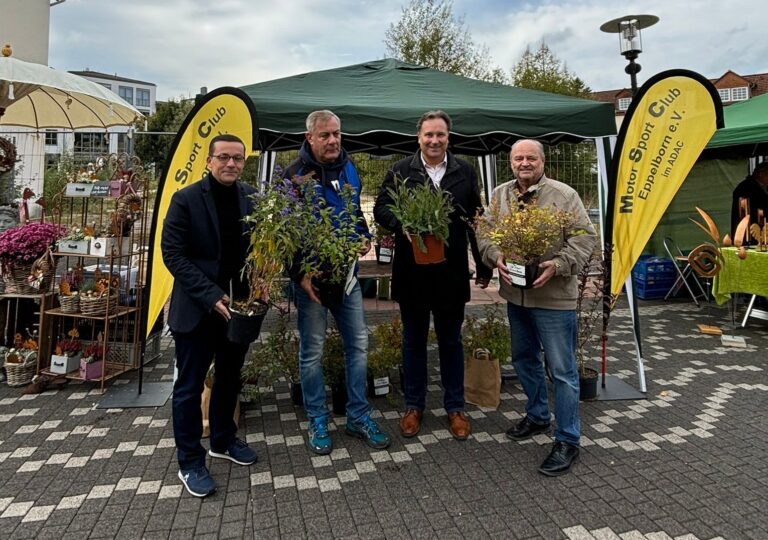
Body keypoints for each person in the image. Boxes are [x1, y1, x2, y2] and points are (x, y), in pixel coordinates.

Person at [477, 139, 596, 476]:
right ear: (511, 163)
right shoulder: (501, 195)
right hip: (517, 297)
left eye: (531, 157)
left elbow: (585, 238)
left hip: (554, 299)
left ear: (543, 162)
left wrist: (558, 264)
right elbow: (485, 234)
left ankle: (568, 439)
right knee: (524, 359)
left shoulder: (564, 195)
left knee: (562, 371)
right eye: (518, 158)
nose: (524, 163)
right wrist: (494, 255)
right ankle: (538, 415)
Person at [373, 110, 492, 441]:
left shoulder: (464, 171)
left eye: (440, 135)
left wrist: (483, 266)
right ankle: (414, 407)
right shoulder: (401, 171)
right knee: (413, 342)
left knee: (451, 341)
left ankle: (455, 408)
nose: (434, 140)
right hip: (412, 273)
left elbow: (474, 220)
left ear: (448, 138)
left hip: (451, 272)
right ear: (419, 138)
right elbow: (381, 208)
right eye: (429, 135)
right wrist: (402, 223)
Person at [283, 110, 390, 455]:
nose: (333, 140)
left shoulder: (349, 167)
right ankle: (317, 417)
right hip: (312, 284)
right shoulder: (293, 176)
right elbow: (284, 235)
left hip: (347, 279)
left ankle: (358, 415)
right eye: (325, 135)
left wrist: (363, 236)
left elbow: (355, 211)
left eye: (336, 134)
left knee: (358, 345)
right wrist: (300, 274)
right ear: (309, 138)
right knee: (311, 351)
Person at [162, 134, 258, 497]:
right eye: (224, 157)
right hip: (198, 311)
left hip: (237, 310)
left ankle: (222, 440)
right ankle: (190, 461)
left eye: (237, 158)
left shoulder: (252, 197)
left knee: (230, 377)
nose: (231, 164)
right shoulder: (185, 200)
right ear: (209, 160)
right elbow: (173, 255)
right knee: (188, 388)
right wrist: (211, 295)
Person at [731, 161, 768, 243]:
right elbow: (745, 212)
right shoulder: (746, 188)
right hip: (751, 232)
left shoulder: (763, 187)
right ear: (761, 174)